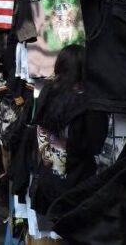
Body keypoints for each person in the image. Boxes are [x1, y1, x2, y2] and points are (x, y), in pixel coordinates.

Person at [31, 44, 108, 215]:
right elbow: (96, 144)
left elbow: (39, 129)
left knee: (47, 227)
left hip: (47, 178)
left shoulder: (47, 92)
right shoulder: (89, 102)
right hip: (77, 185)